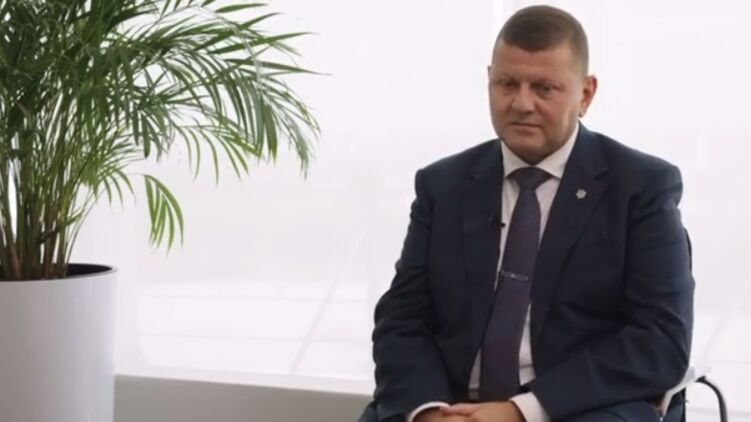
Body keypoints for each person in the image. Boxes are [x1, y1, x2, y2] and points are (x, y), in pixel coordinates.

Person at [358, 5, 694, 422]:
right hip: (450, 404)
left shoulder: (640, 187)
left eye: (544, 88)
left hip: (576, 408)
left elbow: (660, 342)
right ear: (489, 81)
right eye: (507, 84)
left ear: (585, 94)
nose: (521, 103)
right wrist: (427, 411)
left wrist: (520, 412)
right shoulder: (442, 185)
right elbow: (402, 320)